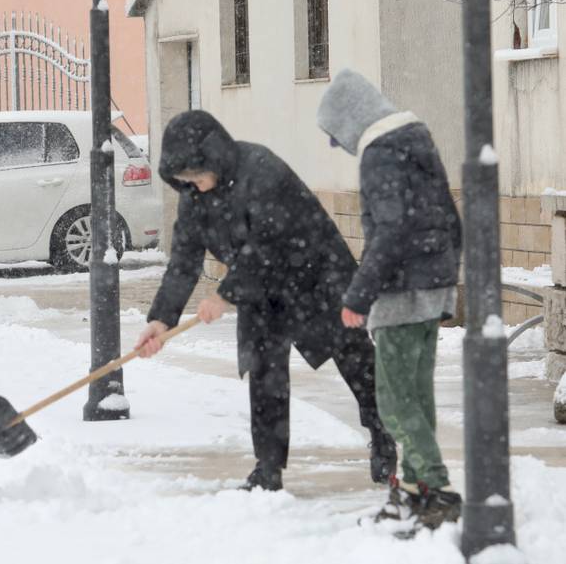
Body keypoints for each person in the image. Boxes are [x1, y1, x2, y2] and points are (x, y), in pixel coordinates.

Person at [135, 110, 397, 491]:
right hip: (259, 290)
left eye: (196, 175)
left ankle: (383, 434)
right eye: (184, 180)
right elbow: (184, 261)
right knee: (263, 371)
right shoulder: (193, 197)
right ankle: (268, 468)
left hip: (317, 276)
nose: (194, 186)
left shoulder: (261, 169)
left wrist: (225, 294)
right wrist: (162, 319)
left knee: (355, 360)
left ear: (214, 156)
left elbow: (269, 244)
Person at [317, 69, 463, 530]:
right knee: (416, 398)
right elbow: (450, 218)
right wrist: (445, 278)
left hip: (401, 294)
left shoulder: (380, 154)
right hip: (430, 286)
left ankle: (435, 491)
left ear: (351, 120)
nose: (341, 147)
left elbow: (389, 231)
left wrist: (359, 295)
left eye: (338, 136)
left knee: (396, 404)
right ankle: (413, 493)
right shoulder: (417, 141)